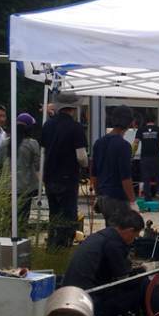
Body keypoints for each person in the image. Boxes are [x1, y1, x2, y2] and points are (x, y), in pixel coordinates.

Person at [62, 210, 159, 316]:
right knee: (144, 285)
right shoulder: (113, 246)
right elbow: (124, 282)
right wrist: (142, 271)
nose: (133, 241)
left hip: (75, 298)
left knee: (140, 282)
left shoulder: (104, 236)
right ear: (130, 231)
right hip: (92, 304)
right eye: (135, 236)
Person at [41, 92, 89, 249]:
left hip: (49, 176)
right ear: (74, 107)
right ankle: (62, 247)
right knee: (67, 216)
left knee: (53, 214)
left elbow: (43, 150)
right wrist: (85, 166)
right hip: (67, 177)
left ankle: (52, 244)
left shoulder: (47, 125)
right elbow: (81, 156)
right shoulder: (75, 127)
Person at [91, 105, 139, 227]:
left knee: (109, 233)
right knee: (119, 236)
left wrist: (98, 195)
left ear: (112, 119)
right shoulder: (124, 146)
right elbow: (125, 177)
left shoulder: (99, 143)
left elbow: (94, 173)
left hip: (103, 196)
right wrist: (133, 202)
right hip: (117, 197)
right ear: (130, 123)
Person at [0, 113, 40, 226]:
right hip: (25, 187)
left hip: (6, 187)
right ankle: (20, 241)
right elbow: (38, 165)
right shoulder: (32, 144)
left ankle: (7, 240)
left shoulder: (5, 142)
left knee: (7, 219)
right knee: (22, 219)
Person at [132, 112, 159, 203]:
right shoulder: (158, 130)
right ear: (154, 120)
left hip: (144, 158)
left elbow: (136, 143)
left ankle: (147, 198)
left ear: (145, 121)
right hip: (156, 157)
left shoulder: (141, 130)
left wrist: (131, 155)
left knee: (146, 178)